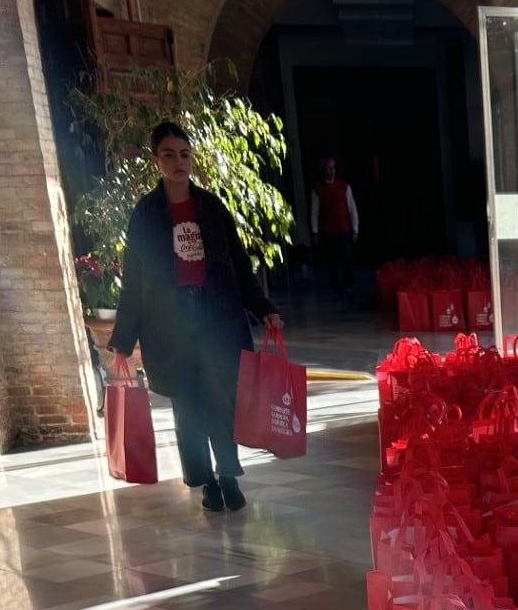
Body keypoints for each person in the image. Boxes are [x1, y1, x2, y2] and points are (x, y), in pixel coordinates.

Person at [108, 119, 281, 513]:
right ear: (156, 161)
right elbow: (134, 281)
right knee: (188, 408)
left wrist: (264, 309)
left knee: (222, 401)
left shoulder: (212, 207)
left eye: (184, 154)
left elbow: (239, 265)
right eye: (168, 155)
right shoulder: (146, 214)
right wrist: (122, 339)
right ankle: (206, 483)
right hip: (170, 327)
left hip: (216, 318)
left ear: (192, 158)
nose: (178, 162)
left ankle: (229, 476)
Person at [310, 158, 359, 302]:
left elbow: (352, 208)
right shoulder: (318, 190)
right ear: (323, 170)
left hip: (344, 229)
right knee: (332, 263)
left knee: (346, 260)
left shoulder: (344, 186)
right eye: (328, 168)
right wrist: (315, 231)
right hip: (327, 231)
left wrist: (355, 228)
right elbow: (315, 212)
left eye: (333, 168)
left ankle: (349, 287)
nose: (331, 171)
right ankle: (336, 291)